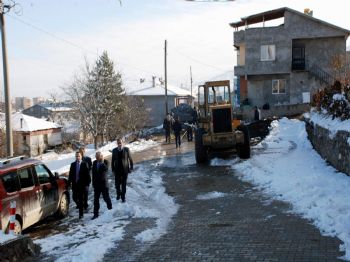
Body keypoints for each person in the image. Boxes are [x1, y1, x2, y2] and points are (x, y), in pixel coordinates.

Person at [68, 151, 91, 219]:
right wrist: (69, 183)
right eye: (76, 156)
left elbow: (87, 174)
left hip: (82, 184)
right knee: (74, 197)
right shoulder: (73, 164)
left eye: (79, 156)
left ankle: (81, 214)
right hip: (75, 184)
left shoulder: (85, 164)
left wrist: (87, 183)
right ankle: (82, 205)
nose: (77, 157)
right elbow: (71, 175)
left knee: (81, 199)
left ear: (81, 156)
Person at [111, 138, 133, 203]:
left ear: (122, 143)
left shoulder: (126, 149)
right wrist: (112, 169)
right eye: (118, 143)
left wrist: (131, 167)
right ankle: (118, 194)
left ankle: (123, 197)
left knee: (123, 184)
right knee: (117, 185)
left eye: (120, 143)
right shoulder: (114, 150)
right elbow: (112, 161)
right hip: (117, 170)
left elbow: (130, 159)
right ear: (117, 144)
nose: (119, 144)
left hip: (125, 170)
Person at [92, 151, 112, 219]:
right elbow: (93, 174)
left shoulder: (106, 162)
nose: (97, 158)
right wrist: (93, 183)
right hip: (96, 185)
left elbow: (106, 169)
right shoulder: (94, 162)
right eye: (96, 157)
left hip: (104, 185)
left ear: (101, 156)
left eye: (98, 156)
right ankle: (95, 214)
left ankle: (110, 210)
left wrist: (102, 161)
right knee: (96, 200)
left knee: (106, 198)